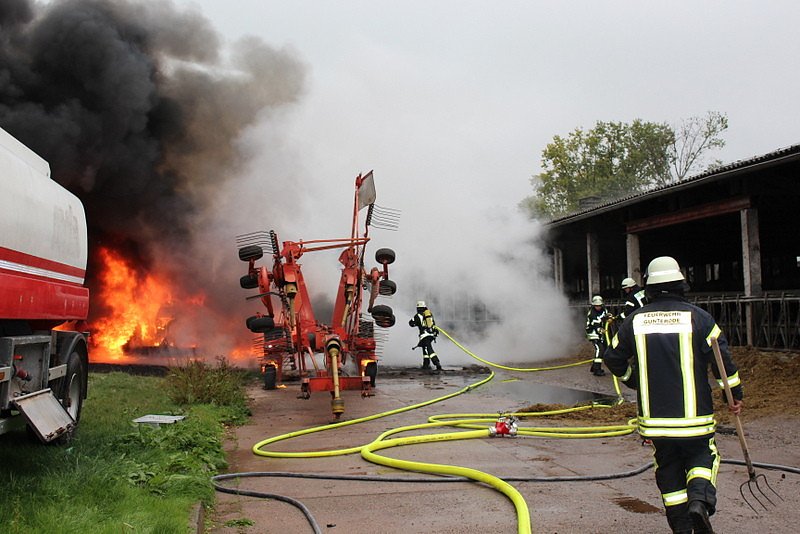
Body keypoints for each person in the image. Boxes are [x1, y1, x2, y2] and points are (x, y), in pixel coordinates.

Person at [603, 256, 743, 534]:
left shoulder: (635, 321)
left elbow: (612, 357)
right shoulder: (700, 319)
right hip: (695, 419)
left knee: (668, 467)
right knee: (704, 457)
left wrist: (634, 382)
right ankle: (700, 502)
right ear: (681, 285)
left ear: (649, 289)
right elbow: (722, 362)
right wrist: (734, 394)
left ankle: (681, 526)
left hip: (655, 422)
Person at [409, 300, 441, 373]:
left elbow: (411, 323)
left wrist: (416, 324)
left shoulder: (417, 316)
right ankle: (426, 365)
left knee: (428, 348)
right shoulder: (429, 314)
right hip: (431, 334)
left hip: (424, 335)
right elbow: (433, 324)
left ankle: (437, 363)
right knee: (425, 349)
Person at [585, 295, 610, 376]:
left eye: (599, 305)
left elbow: (605, 316)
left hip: (601, 334)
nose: (598, 307)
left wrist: (609, 317)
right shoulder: (592, 313)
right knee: (600, 350)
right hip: (593, 334)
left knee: (604, 349)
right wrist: (600, 330)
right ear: (593, 305)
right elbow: (595, 325)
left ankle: (593, 367)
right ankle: (597, 370)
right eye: (596, 306)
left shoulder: (604, 310)